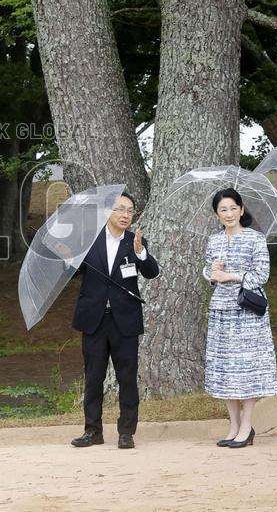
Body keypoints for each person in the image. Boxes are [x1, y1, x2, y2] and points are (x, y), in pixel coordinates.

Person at [70, 191, 160, 450]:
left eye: (130, 211)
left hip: (125, 319)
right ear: (108, 212)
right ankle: (92, 431)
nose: (125, 215)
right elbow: (75, 273)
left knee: (127, 378)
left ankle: (126, 432)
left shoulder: (135, 241)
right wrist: (68, 258)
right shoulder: (89, 241)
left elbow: (152, 273)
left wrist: (142, 253)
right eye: (120, 209)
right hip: (94, 319)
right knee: (93, 377)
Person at [202, 188, 277, 449]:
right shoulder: (214, 241)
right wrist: (212, 272)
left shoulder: (255, 239)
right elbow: (208, 270)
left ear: (242, 210)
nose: (229, 213)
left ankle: (247, 426)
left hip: (248, 313)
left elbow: (261, 275)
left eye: (233, 208)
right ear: (216, 214)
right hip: (221, 310)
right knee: (225, 370)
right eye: (223, 209)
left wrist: (231, 276)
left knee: (247, 369)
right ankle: (233, 424)